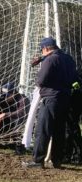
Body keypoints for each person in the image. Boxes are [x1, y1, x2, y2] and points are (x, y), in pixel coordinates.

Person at [22, 36, 79, 168]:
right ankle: (57, 160)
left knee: (43, 129)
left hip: (50, 99)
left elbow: (41, 80)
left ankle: (38, 160)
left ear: (46, 48)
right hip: (65, 98)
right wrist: (42, 58)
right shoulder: (69, 59)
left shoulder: (50, 60)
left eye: (42, 51)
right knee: (59, 130)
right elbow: (74, 77)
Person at [0, 82, 30, 152]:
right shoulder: (2, 99)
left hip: (19, 124)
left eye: (7, 96)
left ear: (14, 93)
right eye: (4, 95)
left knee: (17, 120)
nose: (5, 97)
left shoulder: (23, 99)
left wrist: (5, 115)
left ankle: (19, 144)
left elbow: (22, 113)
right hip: (7, 123)